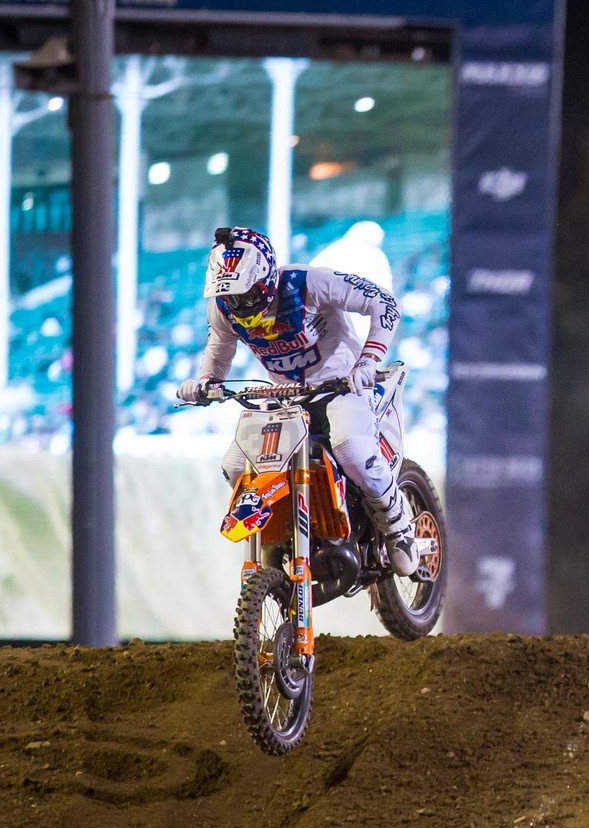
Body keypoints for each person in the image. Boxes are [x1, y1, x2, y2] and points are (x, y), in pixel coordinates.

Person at [177, 226, 418, 574]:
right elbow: (219, 348)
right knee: (236, 465)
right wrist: (205, 382)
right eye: (230, 296)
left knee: (352, 449)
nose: (239, 304)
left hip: (342, 385)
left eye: (246, 294)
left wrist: (368, 360)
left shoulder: (308, 282)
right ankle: (286, 531)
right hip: (286, 397)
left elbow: (383, 301)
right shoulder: (222, 308)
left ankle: (397, 525)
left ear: (265, 280)